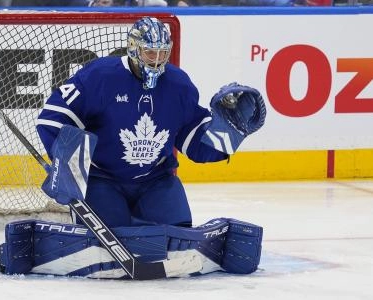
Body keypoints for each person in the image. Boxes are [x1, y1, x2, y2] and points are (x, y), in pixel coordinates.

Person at [36, 16, 266, 228]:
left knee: (177, 236)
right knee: (108, 238)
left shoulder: (179, 85)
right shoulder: (100, 76)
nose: (157, 60)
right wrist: (66, 165)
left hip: (156, 180)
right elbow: (53, 115)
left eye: (162, 53)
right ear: (134, 49)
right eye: (150, 52)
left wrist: (226, 131)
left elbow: (192, 140)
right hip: (101, 179)